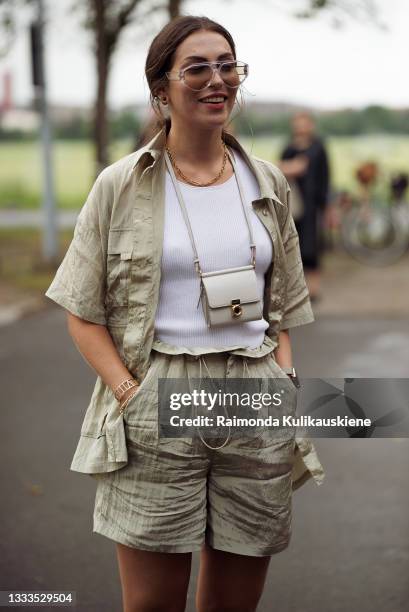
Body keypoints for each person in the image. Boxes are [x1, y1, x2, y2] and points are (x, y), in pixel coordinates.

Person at [45, 16, 325, 612]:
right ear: (161, 90)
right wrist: (129, 391)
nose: (216, 79)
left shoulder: (269, 182)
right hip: (157, 390)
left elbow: (282, 306)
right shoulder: (120, 185)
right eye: (196, 67)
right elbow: (81, 309)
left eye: (228, 65)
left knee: (234, 603)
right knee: (152, 603)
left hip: (252, 390)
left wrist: (283, 378)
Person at [279, 111, 330, 301]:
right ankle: (296, 289)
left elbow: (324, 176)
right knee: (293, 245)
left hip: (312, 204)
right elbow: (279, 171)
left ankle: (313, 289)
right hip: (293, 203)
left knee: (313, 246)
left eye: (304, 123)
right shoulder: (289, 148)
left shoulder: (318, 148)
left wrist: (325, 204)